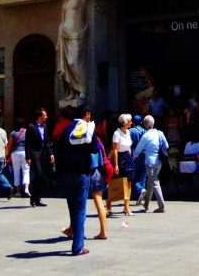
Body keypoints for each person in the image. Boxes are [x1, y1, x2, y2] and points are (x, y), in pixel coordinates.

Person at [56, 106, 97, 255]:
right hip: (82, 173)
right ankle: (78, 246)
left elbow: (58, 150)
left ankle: (75, 236)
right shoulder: (87, 128)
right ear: (86, 114)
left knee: (73, 207)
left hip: (67, 173)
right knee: (80, 208)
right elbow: (95, 148)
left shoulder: (66, 130)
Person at [57, 0, 97, 102]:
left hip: (77, 35)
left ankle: (83, 89)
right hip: (65, 34)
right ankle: (73, 91)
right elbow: (63, 18)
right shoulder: (65, 2)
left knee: (75, 62)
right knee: (67, 64)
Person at [134, 114, 168, 212]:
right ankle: (146, 204)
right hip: (159, 162)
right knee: (150, 182)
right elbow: (166, 145)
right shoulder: (159, 133)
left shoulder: (146, 136)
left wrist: (134, 157)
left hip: (150, 162)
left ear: (145, 125)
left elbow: (138, 149)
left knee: (155, 182)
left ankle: (161, 206)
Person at [25, 108, 54, 207]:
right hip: (34, 154)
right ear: (40, 116)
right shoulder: (31, 127)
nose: (46, 117)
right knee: (38, 174)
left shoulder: (45, 126)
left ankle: (38, 199)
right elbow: (27, 143)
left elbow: (47, 142)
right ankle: (33, 198)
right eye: (45, 115)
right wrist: (27, 157)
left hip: (43, 154)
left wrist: (51, 153)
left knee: (42, 176)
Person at [107, 113, 135, 216]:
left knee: (129, 182)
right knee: (117, 182)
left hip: (128, 158)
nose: (131, 122)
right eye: (129, 121)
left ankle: (126, 207)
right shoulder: (117, 133)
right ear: (124, 122)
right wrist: (116, 165)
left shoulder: (128, 132)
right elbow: (114, 150)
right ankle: (109, 203)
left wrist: (131, 156)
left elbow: (129, 146)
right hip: (119, 157)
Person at [5, 117, 29, 199]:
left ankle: (18, 191)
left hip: (15, 154)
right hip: (25, 153)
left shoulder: (13, 133)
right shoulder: (27, 132)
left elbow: (9, 146)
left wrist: (6, 155)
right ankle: (26, 189)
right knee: (26, 171)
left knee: (16, 172)